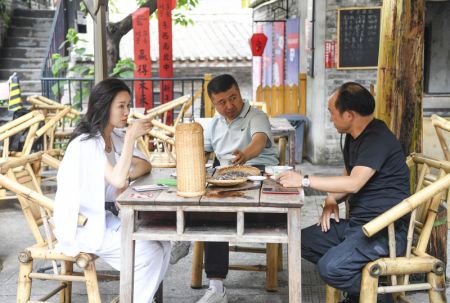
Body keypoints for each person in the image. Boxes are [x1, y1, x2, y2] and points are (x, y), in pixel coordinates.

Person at [278, 82, 409, 303]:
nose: (330, 119)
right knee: (298, 240)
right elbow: (348, 176)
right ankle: (363, 291)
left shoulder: (377, 138)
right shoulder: (354, 136)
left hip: (383, 232)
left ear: (349, 115)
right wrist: (331, 198)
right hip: (359, 226)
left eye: (332, 112)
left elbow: (354, 184)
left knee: (331, 268)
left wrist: (304, 181)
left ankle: (377, 295)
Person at [53, 78, 171, 303]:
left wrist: (126, 170)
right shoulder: (86, 143)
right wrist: (129, 141)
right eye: (121, 106)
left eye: (128, 105)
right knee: (149, 252)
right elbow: (117, 180)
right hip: (84, 225)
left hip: (107, 218)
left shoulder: (114, 137)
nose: (127, 112)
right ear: (104, 106)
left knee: (162, 241)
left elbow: (144, 165)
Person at [193, 74, 278, 303]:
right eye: (221, 102)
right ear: (213, 104)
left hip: (258, 176)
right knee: (204, 201)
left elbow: (259, 141)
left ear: (239, 93)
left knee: (213, 213)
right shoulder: (214, 124)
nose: (229, 106)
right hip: (225, 180)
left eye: (233, 98)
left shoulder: (256, 116)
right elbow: (203, 152)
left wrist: (245, 155)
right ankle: (217, 286)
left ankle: (189, 234)